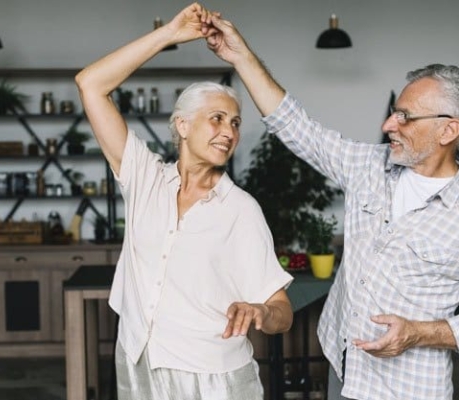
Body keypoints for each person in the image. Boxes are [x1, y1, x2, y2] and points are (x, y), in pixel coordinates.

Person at [200, 9, 459, 400]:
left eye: (405, 117)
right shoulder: (369, 166)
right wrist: (240, 56)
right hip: (344, 368)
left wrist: (420, 333)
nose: (389, 125)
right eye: (393, 113)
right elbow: (295, 125)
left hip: (409, 388)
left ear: (448, 130)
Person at [74, 4, 294, 400]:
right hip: (139, 360)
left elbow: (282, 309)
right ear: (182, 125)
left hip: (211, 377)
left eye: (235, 123)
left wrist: (262, 312)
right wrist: (168, 35)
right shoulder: (146, 179)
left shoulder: (241, 209)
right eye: (217, 118)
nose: (229, 131)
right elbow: (91, 84)